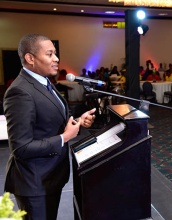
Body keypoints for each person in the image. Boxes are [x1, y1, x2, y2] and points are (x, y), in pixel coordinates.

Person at [3, 34, 96, 220]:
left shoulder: (44, 81)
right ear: (30, 58)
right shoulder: (19, 91)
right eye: (50, 54)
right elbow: (21, 148)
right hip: (35, 183)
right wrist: (65, 137)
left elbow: (47, 122)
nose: (56, 59)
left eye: (55, 53)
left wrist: (77, 121)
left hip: (51, 177)